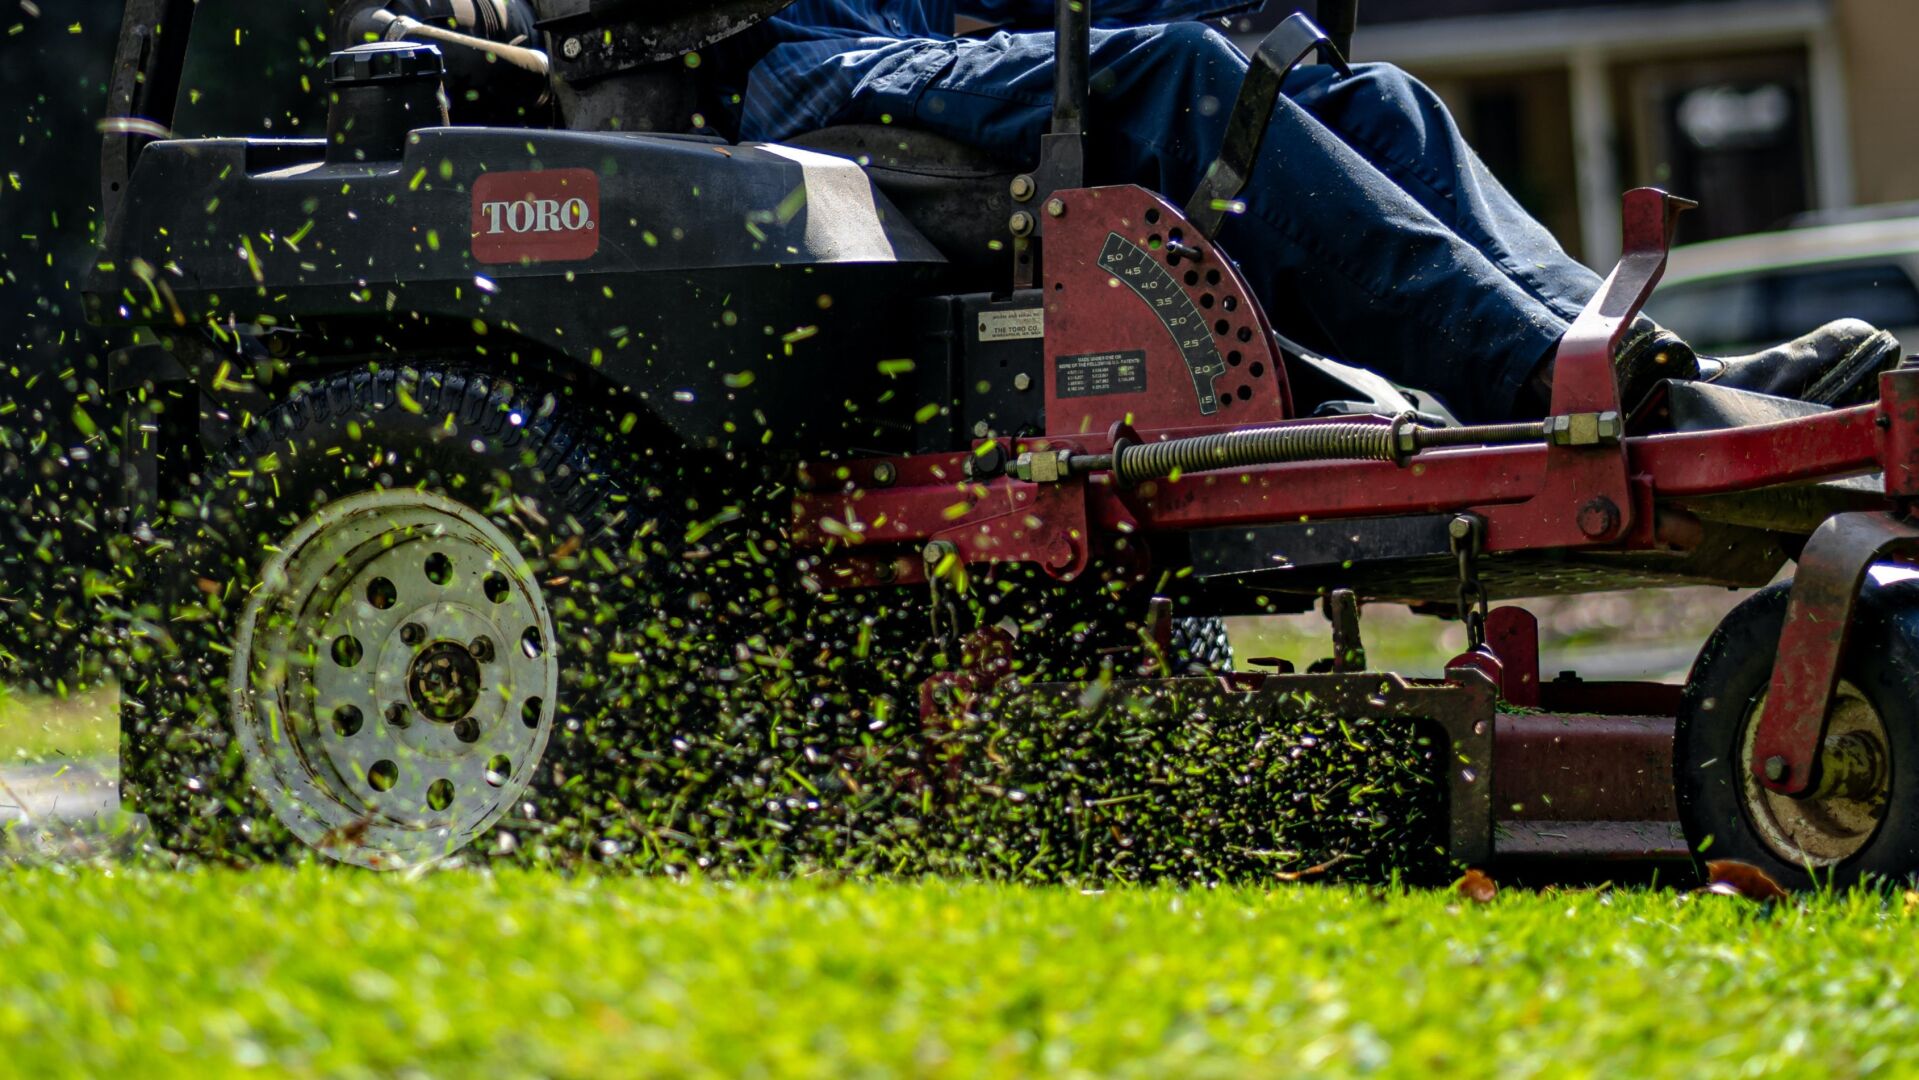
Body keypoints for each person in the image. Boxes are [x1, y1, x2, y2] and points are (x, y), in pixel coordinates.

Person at [711, 0, 1897, 423]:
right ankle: (1545, 382)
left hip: (893, 51)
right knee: (1175, 67)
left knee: (1364, 95)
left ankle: (1617, 361)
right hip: (797, 76)